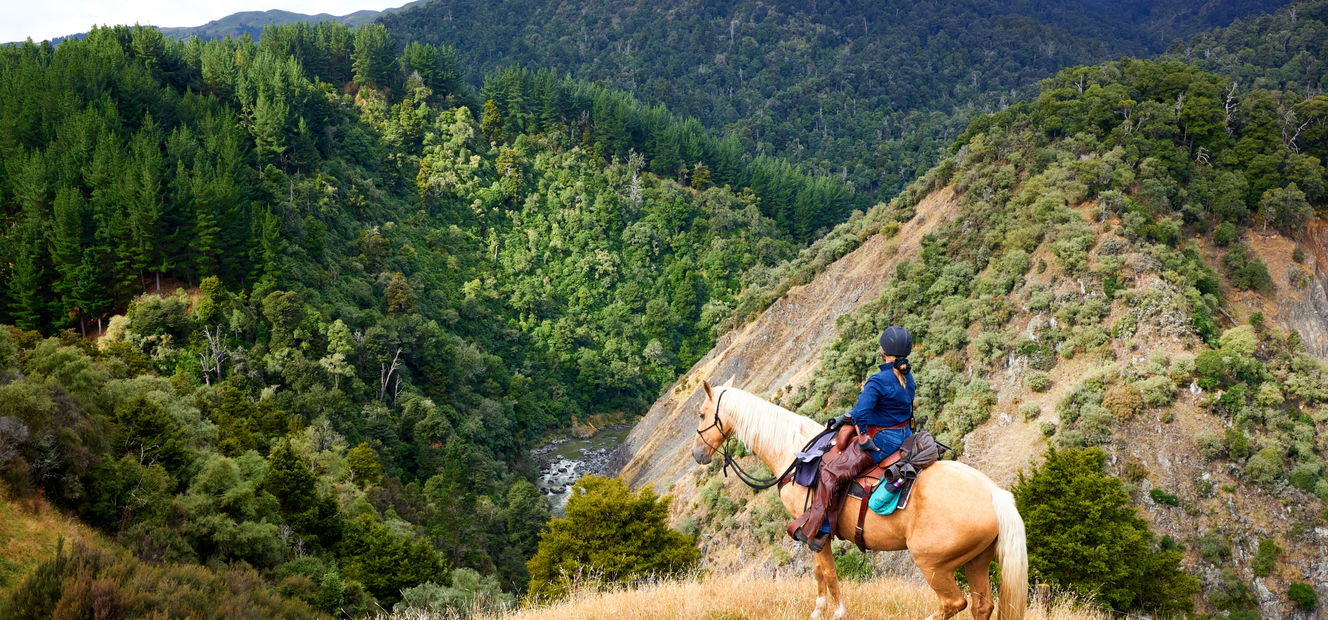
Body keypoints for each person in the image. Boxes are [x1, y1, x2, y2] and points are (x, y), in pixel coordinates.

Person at [788, 326, 915, 551]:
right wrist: (845, 417)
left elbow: (863, 414)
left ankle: (819, 530)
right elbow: (882, 410)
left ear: (883, 351)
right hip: (904, 435)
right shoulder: (908, 378)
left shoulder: (877, 381)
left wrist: (863, 436)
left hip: (883, 440)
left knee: (830, 473)